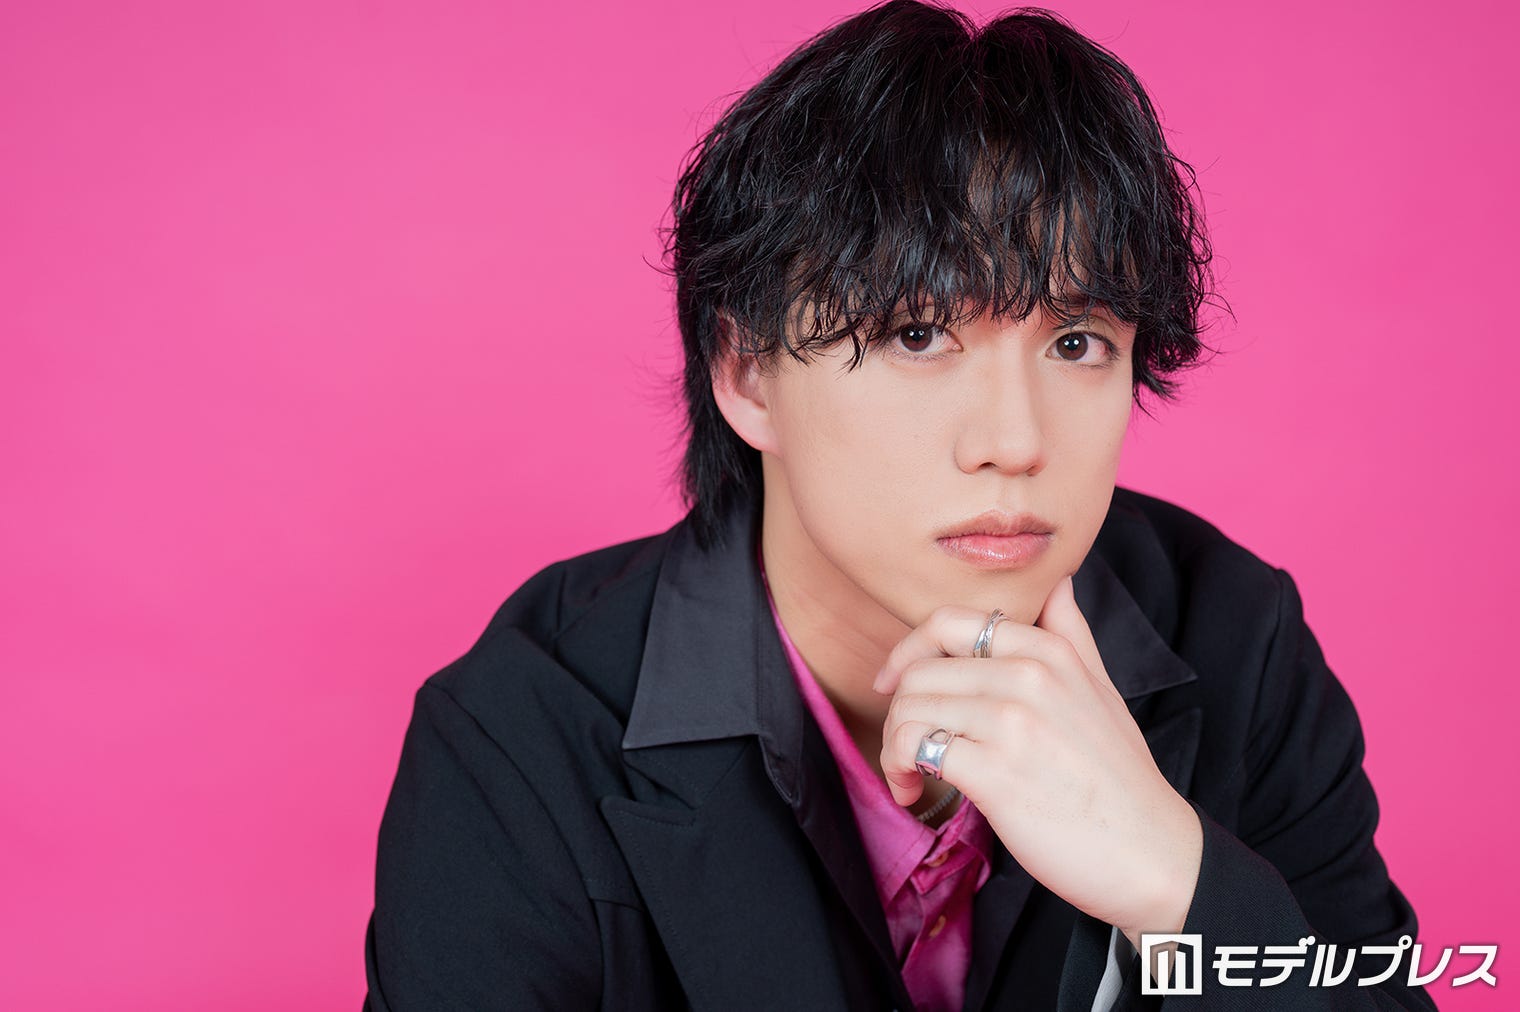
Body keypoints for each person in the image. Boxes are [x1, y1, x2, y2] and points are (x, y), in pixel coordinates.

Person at [362, 2, 1435, 1009]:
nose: (1013, 442)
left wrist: (1175, 883)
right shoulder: (522, 732)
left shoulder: (1235, 638)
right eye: (919, 335)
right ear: (745, 373)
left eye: (1076, 343)